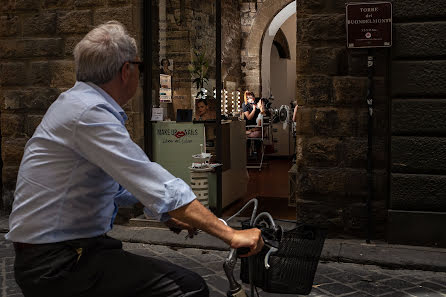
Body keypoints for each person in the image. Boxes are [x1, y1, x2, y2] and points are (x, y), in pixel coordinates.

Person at [5, 21, 263, 297]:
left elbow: (117, 186)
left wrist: (167, 215)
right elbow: (154, 182)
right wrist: (230, 235)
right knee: (189, 288)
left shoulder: (78, 104)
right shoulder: (89, 114)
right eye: (140, 66)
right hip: (60, 261)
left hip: (68, 252)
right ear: (126, 70)